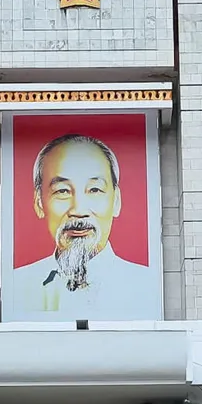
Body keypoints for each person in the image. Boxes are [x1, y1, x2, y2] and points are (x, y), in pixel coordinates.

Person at [11, 133, 161, 317]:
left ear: (116, 201)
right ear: (39, 203)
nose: (79, 210)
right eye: (62, 191)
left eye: (95, 189)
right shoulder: (16, 285)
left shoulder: (146, 286)